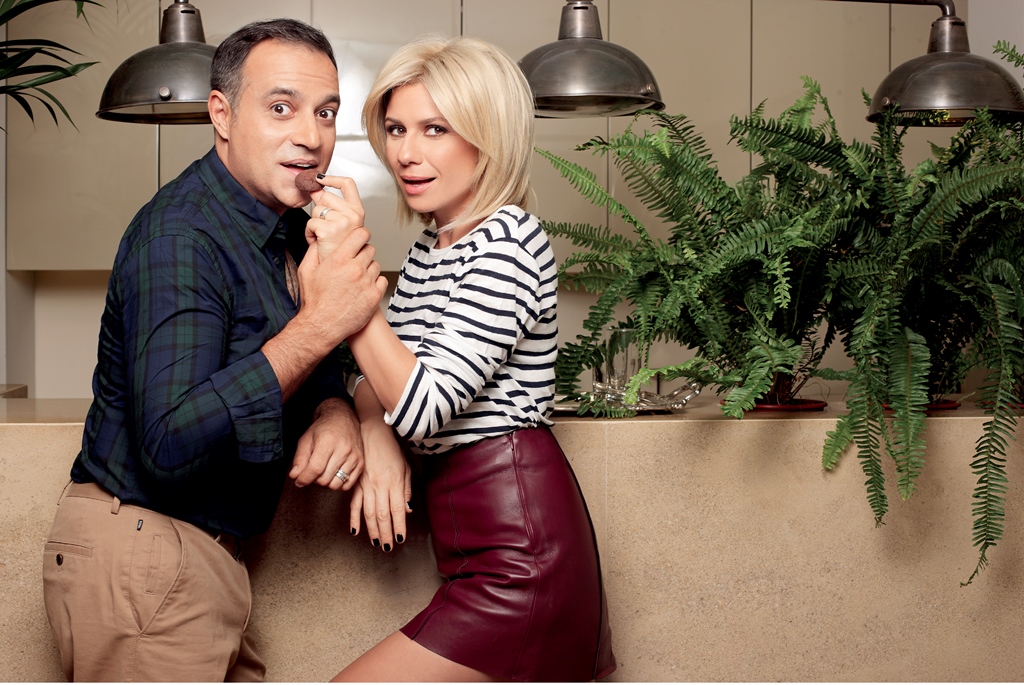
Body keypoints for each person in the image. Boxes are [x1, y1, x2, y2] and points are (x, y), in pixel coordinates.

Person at [40, 18, 386, 681]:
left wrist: (335, 408)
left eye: (325, 112)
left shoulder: (287, 230)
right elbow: (169, 439)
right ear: (221, 114)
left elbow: (301, 358)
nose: (311, 136)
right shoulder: (184, 236)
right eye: (281, 108)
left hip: (198, 562)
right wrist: (320, 327)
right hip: (144, 551)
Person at [307, 35, 616, 682]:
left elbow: (422, 405)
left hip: (522, 557)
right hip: (478, 555)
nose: (406, 152)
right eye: (396, 129)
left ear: (488, 136)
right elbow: (369, 376)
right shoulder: (433, 249)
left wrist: (347, 277)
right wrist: (375, 434)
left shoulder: (509, 241)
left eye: (435, 129)